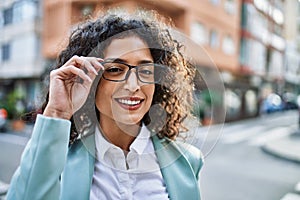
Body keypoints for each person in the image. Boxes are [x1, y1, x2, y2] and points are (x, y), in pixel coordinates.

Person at [7, 10, 203, 200]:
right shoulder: (57, 161)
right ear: (89, 80)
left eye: (145, 71)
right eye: (116, 69)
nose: (134, 86)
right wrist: (57, 113)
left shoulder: (188, 161)